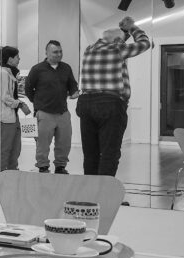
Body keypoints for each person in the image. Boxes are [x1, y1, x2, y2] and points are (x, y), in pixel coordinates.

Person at [76, 16, 152, 176]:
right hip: (109, 104)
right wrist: (132, 27)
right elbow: (145, 43)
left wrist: (123, 32)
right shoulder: (117, 50)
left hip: (86, 103)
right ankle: (105, 190)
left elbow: (115, 40)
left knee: (90, 153)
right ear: (117, 41)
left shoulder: (89, 49)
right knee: (109, 152)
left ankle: (91, 189)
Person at [24, 40, 79, 174]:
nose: (59, 54)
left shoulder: (66, 68)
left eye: (60, 51)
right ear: (47, 53)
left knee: (64, 143)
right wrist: (38, 103)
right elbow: (28, 89)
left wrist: (74, 92)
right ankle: (43, 166)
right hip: (44, 113)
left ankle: (60, 167)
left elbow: (72, 85)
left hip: (63, 113)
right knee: (42, 144)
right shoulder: (37, 69)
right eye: (55, 52)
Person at [0, 46, 31, 173]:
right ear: (10, 59)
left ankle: (12, 171)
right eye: (17, 57)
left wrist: (19, 103)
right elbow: (5, 97)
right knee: (5, 147)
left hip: (12, 116)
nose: (19, 59)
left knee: (15, 147)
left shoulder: (9, 73)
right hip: (4, 117)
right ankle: (1, 172)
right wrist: (20, 104)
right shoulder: (2, 73)